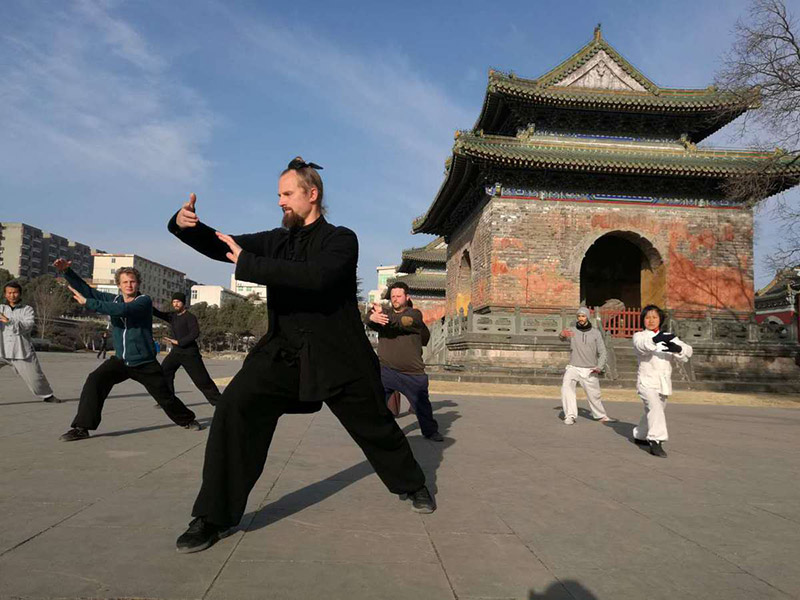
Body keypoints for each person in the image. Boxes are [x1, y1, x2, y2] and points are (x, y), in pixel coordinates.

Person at [169, 157, 434, 554]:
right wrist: (185, 225)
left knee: (375, 427)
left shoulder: (341, 239)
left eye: (287, 194)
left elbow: (318, 278)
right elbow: (225, 247)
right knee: (235, 408)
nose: (281, 202)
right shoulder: (276, 241)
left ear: (312, 195)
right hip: (283, 353)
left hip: (339, 355)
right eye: (278, 195)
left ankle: (412, 484)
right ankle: (213, 516)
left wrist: (248, 262)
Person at [53, 259, 202, 441]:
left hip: (145, 362)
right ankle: (82, 428)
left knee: (165, 397)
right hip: (121, 361)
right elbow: (88, 291)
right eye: (125, 282)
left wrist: (89, 303)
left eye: (132, 281)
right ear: (119, 285)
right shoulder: (114, 299)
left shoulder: (143, 301)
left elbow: (123, 310)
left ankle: (187, 420)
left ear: (138, 283)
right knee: (95, 381)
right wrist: (67, 271)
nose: (129, 285)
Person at [366, 281, 443, 441]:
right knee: (377, 403)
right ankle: (378, 432)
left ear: (407, 297)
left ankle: (430, 431)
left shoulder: (415, 314)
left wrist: (381, 315)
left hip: (412, 372)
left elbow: (402, 322)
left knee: (422, 406)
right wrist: (371, 317)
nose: (395, 299)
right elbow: (368, 319)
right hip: (386, 370)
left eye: (399, 296)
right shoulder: (383, 316)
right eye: (393, 296)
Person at [631, 305, 693, 458]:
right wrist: (655, 339)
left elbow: (688, 351)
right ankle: (656, 441)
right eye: (647, 317)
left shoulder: (669, 336)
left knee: (654, 411)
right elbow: (641, 348)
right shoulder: (639, 336)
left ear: (660, 319)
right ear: (643, 320)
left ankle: (640, 434)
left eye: (654, 317)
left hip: (663, 382)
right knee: (656, 408)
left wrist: (677, 348)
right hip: (646, 381)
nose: (651, 320)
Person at [153, 292, 221, 406]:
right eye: (174, 302)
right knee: (164, 372)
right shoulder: (172, 316)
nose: (175, 304)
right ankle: (169, 400)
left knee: (202, 381)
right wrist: (139, 297)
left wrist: (179, 342)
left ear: (183, 303)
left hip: (189, 353)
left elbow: (195, 333)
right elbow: (157, 313)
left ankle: (220, 403)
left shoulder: (190, 317)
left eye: (178, 302)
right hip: (176, 353)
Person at [0, 281, 62, 403]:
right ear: (5, 294)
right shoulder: (1, 308)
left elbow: (27, 326)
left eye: (15, 292)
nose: (12, 295)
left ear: (20, 294)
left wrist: (8, 320)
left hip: (20, 351)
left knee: (35, 377)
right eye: (9, 293)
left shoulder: (27, 310)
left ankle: (47, 395)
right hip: (1, 350)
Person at [558, 307, 615, 425]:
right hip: (573, 367)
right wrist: (562, 335)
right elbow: (562, 338)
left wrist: (599, 366)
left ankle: (601, 415)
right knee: (566, 388)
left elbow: (602, 351)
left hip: (590, 368)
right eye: (579, 316)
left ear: (587, 317)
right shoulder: (572, 330)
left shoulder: (596, 333)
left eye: (583, 316)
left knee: (594, 395)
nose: (581, 318)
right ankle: (570, 415)